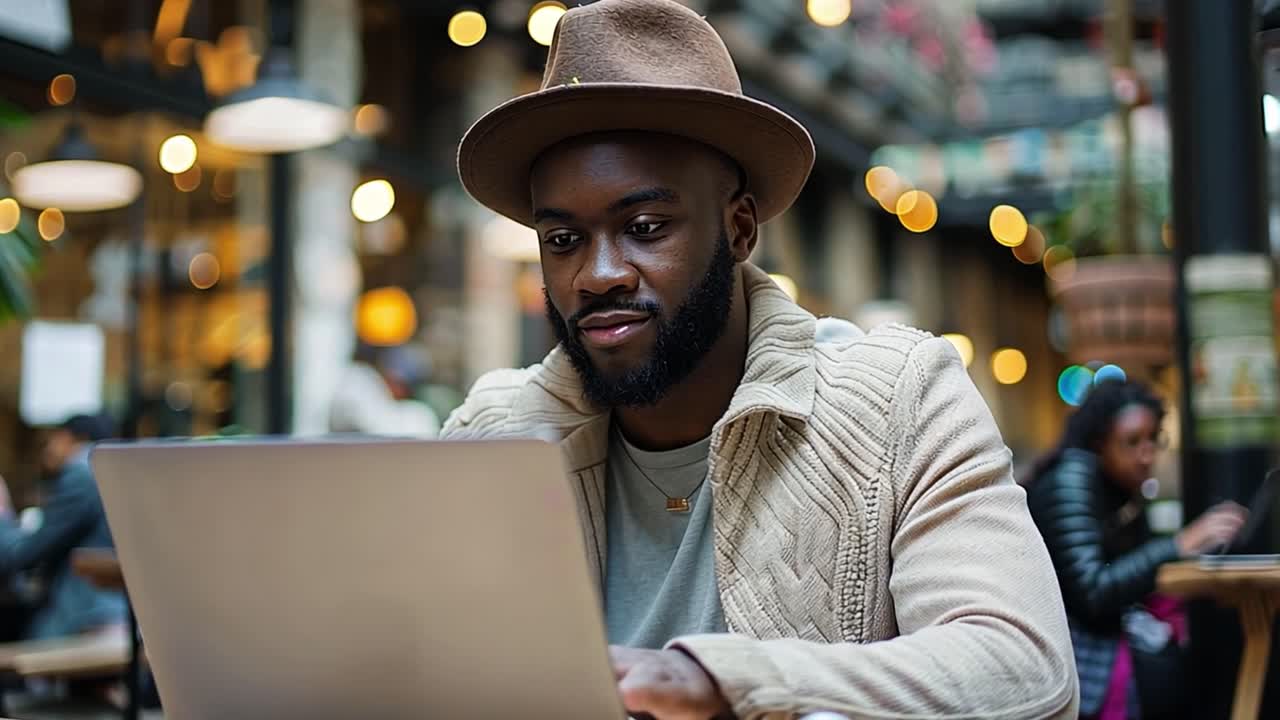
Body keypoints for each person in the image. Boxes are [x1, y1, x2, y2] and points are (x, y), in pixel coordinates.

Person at [445, 0, 1078, 717]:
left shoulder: (901, 399)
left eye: (645, 227)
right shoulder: (492, 433)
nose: (599, 274)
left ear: (739, 228)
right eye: (562, 241)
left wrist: (726, 679)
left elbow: (1027, 669)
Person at [1025, 380, 1246, 719]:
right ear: (1100, 443)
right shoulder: (1072, 478)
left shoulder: (1117, 485)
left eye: (1152, 440)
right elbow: (1093, 591)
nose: (1146, 454)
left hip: (1091, 638)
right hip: (1064, 648)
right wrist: (1179, 544)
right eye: (1131, 442)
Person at [0, 414, 126, 641]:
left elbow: (24, 553)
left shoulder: (81, 472)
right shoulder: (112, 470)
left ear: (71, 438)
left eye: (53, 439)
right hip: (111, 614)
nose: (47, 449)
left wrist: (2, 514)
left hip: (85, 618)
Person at [328, 343, 440, 438]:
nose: (399, 390)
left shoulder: (413, 413)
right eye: (397, 382)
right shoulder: (358, 379)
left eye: (404, 386)